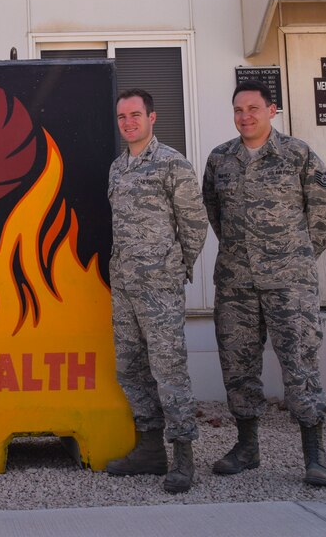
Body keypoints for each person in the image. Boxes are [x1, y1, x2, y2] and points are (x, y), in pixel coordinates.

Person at [202, 79, 326, 486]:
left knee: (300, 364)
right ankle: (247, 448)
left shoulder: (297, 154)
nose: (245, 117)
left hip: (289, 283)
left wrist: (296, 256)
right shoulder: (220, 159)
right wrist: (241, 253)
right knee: (238, 364)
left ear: (271, 110)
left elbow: (325, 210)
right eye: (238, 110)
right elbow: (214, 211)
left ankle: (315, 454)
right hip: (236, 282)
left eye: (253, 109)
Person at [103, 89, 208, 494]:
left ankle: (183, 456)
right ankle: (150, 450)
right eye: (122, 117)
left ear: (152, 118)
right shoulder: (117, 168)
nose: (128, 122)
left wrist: (176, 269)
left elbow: (194, 223)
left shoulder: (171, 164)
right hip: (125, 285)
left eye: (135, 115)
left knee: (168, 370)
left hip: (159, 287)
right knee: (129, 367)